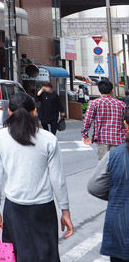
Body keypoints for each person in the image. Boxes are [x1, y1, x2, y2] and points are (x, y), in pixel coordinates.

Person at [0, 93, 73, 261]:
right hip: (43, 209)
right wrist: (65, 211)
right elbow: (58, 179)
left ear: (9, 111)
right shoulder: (48, 139)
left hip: (14, 208)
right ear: (34, 111)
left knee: (17, 255)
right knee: (46, 255)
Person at [87, 108, 129, 262]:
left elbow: (94, 186)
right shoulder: (118, 105)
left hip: (121, 230)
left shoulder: (115, 155)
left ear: (125, 124)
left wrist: (116, 194)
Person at [82, 80, 128, 160]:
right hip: (118, 138)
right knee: (116, 164)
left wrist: (85, 135)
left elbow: (87, 120)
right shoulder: (121, 104)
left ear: (99, 90)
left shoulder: (94, 103)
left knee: (104, 165)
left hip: (101, 138)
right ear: (112, 90)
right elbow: (126, 121)